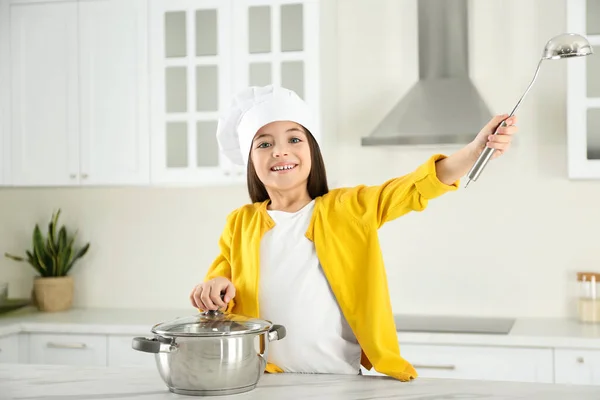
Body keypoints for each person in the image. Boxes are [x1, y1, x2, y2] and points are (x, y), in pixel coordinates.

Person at [189, 85, 517, 381]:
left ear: (312, 152)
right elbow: (219, 287)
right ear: (250, 161)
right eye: (264, 143)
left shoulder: (347, 208)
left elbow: (412, 188)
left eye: (294, 139)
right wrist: (213, 288)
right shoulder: (240, 222)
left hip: (337, 378)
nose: (280, 151)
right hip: (264, 377)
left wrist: (474, 151)